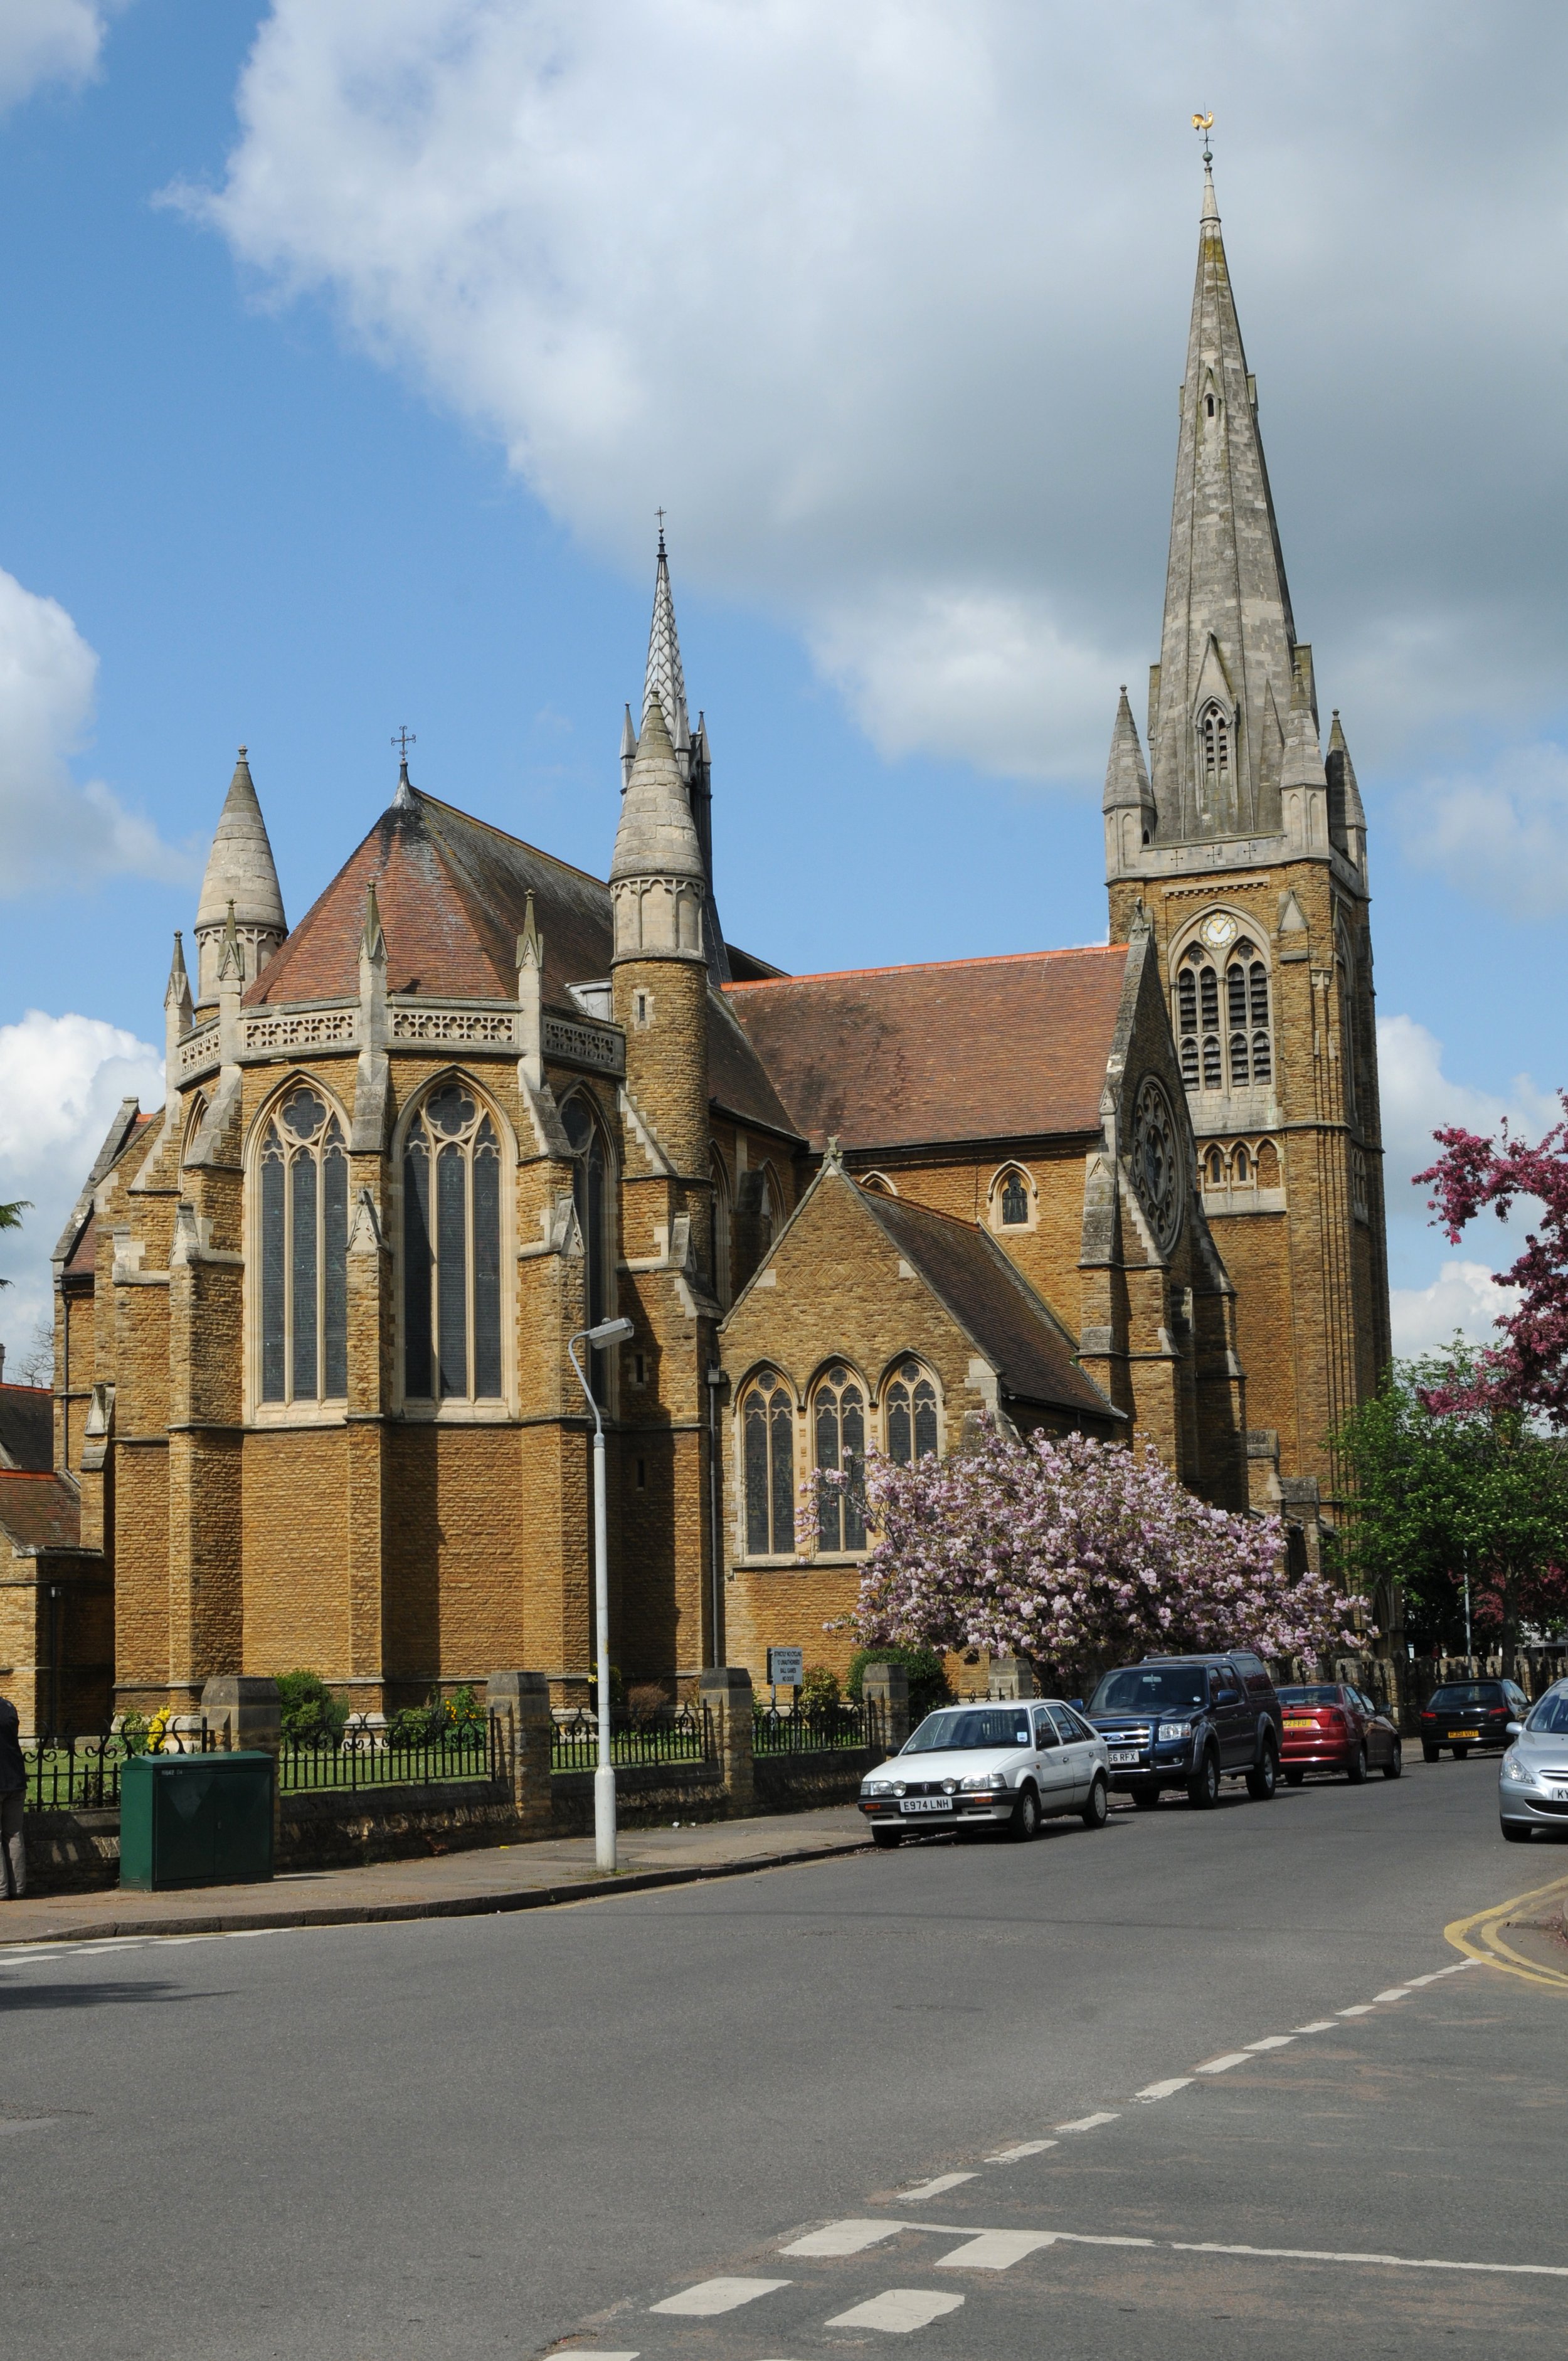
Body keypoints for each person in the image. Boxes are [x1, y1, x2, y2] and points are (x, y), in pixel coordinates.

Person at [0, 1694, 25, 1899]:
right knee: (14, 1834)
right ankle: (18, 1887)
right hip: (15, 1778)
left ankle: (1, 1889)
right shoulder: (9, 1708)